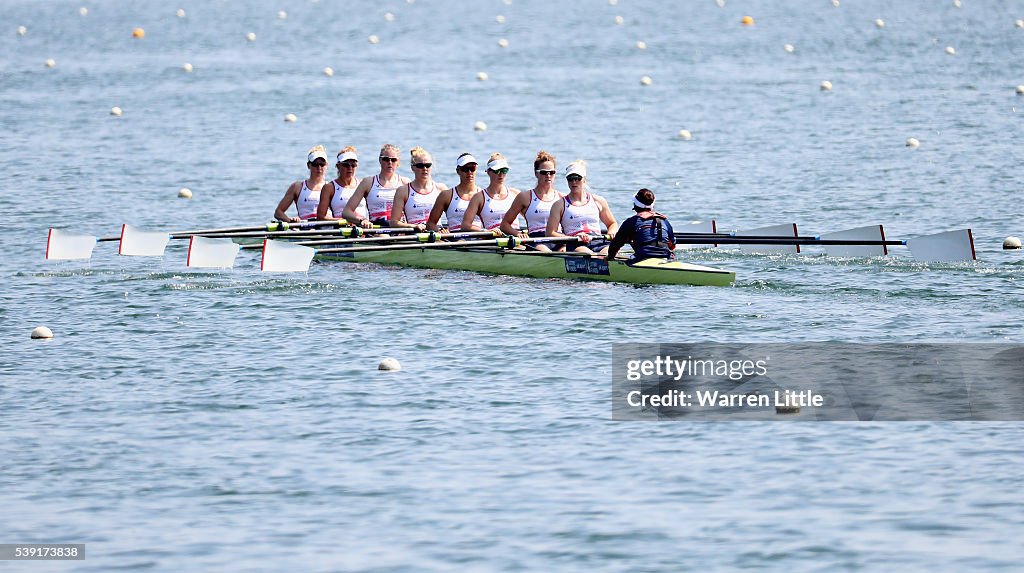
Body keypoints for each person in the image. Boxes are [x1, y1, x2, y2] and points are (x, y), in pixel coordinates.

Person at [545, 160, 618, 255]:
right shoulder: (559, 205)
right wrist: (572, 237)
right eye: (570, 178)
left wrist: (611, 232)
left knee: (612, 253)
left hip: (598, 241)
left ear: (584, 179)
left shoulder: (598, 201)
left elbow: (612, 223)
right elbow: (550, 233)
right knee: (589, 255)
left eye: (577, 178)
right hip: (575, 244)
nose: (574, 182)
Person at [499, 150, 563, 251]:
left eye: (552, 172)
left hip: (558, 239)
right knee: (546, 253)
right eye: (544, 172)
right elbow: (504, 225)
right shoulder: (525, 197)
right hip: (536, 240)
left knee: (566, 251)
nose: (548, 175)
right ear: (536, 174)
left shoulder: (561, 198)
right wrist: (518, 234)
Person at [343, 143, 410, 228]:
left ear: (398, 162)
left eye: (393, 160)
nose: (390, 162)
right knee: (385, 237)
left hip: (400, 229)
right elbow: (346, 212)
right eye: (386, 159)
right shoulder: (368, 183)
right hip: (377, 229)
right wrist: (362, 220)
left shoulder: (405, 182)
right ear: (380, 160)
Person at [607, 188, 677, 263]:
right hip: (666, 257)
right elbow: (672, 246)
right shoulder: (664, 220)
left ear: (635, 205)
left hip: (642, 257)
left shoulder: (630, 222)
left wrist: (609, 258)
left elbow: (615, 245)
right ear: (652, 205)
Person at [390, 147, 448, 231]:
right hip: (415, 234)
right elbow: (394, 222)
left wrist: (447, 230)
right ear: (412, 168)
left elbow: (454, 217)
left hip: (437, 233)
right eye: (420, 166)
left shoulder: (441, 189)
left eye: (427, 165)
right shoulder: (403, 191)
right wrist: (413, 226)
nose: (424, 169)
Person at [461, 153, 521, 232]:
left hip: (514, 236)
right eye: (497, 171)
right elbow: (465, 225)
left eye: (504, 170)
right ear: (488, 171)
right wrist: (486, 231)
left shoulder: (516, 194)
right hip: (492, 238)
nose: (501, 174)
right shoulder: (479, 198)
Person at [426, 153, 482, 232]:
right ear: (458, 171)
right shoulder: (446, 196)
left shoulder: (482, 195)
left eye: (472, 168)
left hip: (479, 238)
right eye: (465, 169)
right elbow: (431, 224)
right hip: (455, 239)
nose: (469, 172)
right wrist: (439, 233)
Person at [274, 145, 328, 222]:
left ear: (326, 165)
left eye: (322, 164)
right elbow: (278, 212)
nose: (319, 168)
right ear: (308, 165)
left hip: (327, 228)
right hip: (306, 228)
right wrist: (291, 221)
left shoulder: (331, 187)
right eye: (315, 164)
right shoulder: (297, 187)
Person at [316, 146, 366, 221]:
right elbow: (321, 217)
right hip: (341, 229)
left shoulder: (363, 184)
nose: (350, 168)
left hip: (363, 228)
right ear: (338, 166)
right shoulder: (329, 188)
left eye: (353, 165)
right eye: (346, 165)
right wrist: (341, 221)